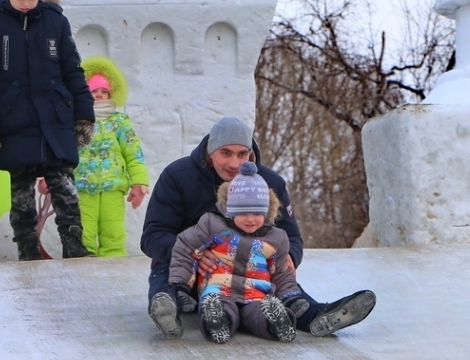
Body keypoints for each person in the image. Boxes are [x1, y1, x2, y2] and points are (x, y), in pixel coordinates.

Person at [141, 115, 376, 339]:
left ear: (251, 154)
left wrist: (290, 257)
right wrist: (195, 255)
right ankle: (166, 307)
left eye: (242, 154)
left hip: (248, 269)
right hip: (189, 267)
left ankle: (315, 315)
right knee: (167, 272)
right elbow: (153, 235)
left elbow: (292, 236)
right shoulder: (177, 176)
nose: (234, 163)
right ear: (211, 152)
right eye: (226, 153)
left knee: (282, 279)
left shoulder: (270, 183)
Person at [0, 0, 95, 261]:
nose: (26, 3)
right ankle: (27, 247)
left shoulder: (55, 22)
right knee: (20, 187)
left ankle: (73, 242)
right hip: (14, 118)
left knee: (64, 182)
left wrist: (83, 115)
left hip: (54, 116)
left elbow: (73, 71)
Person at [169, 161, 306, 344]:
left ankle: (277, 323)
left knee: (258, 314)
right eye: (243, 213)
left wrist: (291, 297)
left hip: (256, 293)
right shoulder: (213, 225)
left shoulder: (276, 238)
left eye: (257, 214)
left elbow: (281, 272)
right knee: (220, 304)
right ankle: (217, 321)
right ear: (231, 211)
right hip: (219, 288)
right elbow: (185, 248)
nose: (250, 220)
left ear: (266, 213)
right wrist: (180, 284)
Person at [75, 56, 149, 256]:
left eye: (103, 92)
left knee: (113, 233)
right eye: (93, 91)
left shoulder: (119, 122)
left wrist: (138, 182)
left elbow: (134, 154)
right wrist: (50, 177)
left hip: (112, 188)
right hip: (82, 187)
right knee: (84, 234)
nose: (99, 96)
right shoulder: (76, 122)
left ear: (111, 94)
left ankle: (113, 271)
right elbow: (63, 152)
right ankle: (84, 271)